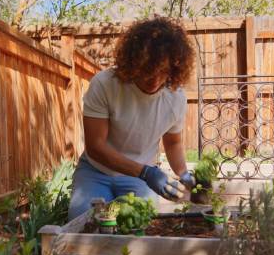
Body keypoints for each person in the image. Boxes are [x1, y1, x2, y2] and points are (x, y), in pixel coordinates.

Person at [67, 17, 196, 220]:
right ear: (134, 63)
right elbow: (96, 146)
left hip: (139, 179)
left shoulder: (176, 98)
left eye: (162, 72)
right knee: (83, 221)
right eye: (147, 71)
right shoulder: (105, 84)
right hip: (96, 172)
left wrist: (184, 174)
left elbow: (173, 143)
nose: (155, 80)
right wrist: (147, 173)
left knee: (140, 223)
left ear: (173, 68)